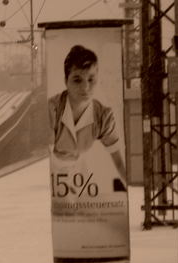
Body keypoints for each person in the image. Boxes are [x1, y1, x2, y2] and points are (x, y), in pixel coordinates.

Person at [47, 44, 127, 189]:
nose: (85, 88)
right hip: (56, 183)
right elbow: (48, 158)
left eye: (91, 79)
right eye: (77, 80)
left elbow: (118, 162)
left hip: (87, 179)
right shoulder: (52, 109)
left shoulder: (104, 116)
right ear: (66, 81)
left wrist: (129, 188)